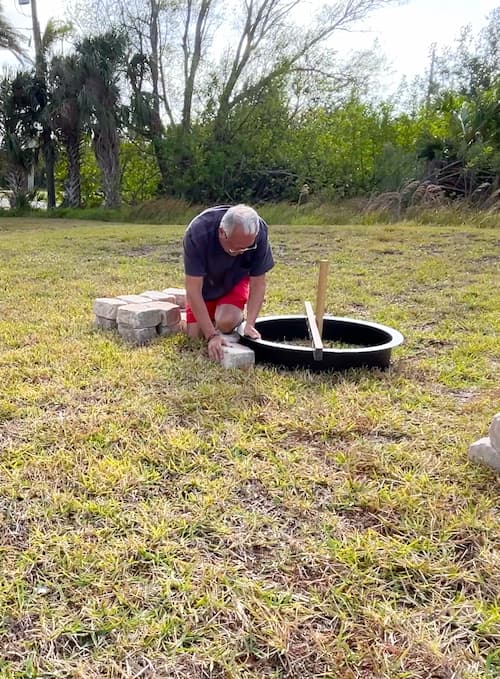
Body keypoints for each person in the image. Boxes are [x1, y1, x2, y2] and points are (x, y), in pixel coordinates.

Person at [183, 204, 275, 362]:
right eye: (237, 249)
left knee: (226, 322)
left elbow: (258, 284)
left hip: (235, 280)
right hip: (206, 284)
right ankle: (185, 305)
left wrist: (250, 324)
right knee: (195, 336)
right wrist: (212, 335)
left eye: (248, 248)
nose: (242, 252)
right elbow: (193, 289)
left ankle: (221, 312)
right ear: (222, 233)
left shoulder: (258, 231)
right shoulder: (197, 233)